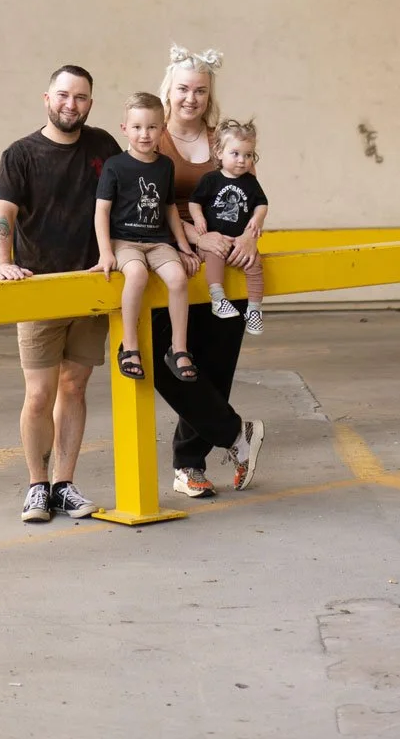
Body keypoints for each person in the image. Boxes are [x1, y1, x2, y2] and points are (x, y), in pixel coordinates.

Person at [0, 65, 119, 524]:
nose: (71, 105)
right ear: (47, 98)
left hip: (90, 288)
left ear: (90, 103)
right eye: (63, 96)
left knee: (74, 386)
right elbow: (3, 213)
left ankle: (64, 483)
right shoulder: (21, 154)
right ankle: (36, 486)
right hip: (39, 291)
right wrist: (1, 262)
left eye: (81, 97)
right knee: (40, 394)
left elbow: (125, 199)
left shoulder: (103, 146)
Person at [152, 45, 265, 499]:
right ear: (168, 91)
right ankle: (238, 435)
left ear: (209, 94)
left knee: (215, 367)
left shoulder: (226, 140)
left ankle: (189, 465)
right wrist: (196, 238)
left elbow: (253, 193)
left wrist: (250, 236)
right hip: (171, 258)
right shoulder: (152, 136)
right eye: (182, 89)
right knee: (169, 363)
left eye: (200, 90)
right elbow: (142, 202)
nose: (190, 98)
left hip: (228, 264)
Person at [94, 93, 199, 382]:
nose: (145, 134)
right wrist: (106, 252)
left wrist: (182, 245)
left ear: (162, 130)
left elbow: (168, 208)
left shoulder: (165, 165)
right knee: (137, 275)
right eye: (137, 127)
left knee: (178, 279)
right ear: (124, 128)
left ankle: (178, 349)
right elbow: (101, 211)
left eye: (152, 127)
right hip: (125, 241)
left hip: (158, 241)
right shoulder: (115, 166)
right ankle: (129, 346)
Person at [189, 118, 269, 336]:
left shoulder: (250, 182)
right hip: (214, 238)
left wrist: (258, 219)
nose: (242, 161)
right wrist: (198, 219)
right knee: (214, 256)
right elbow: (194, 201)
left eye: (248, 155)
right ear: (219, 153)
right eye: (235, 154)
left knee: (255, 264)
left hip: (239, 242)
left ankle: (254, 310)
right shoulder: (211, 179)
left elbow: (262, 203)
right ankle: (218, 298)